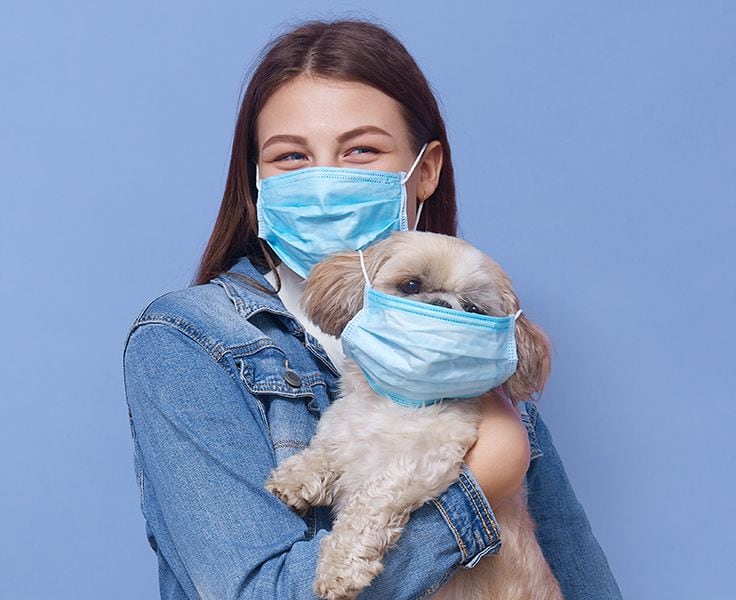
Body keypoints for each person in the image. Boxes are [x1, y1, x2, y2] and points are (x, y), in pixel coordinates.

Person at [122, 19, 623, 600]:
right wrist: (481, 484)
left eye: (360, 150)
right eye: (291, 157)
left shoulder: (478, 342)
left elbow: (577, 573)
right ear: (256, 179)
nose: (326, 182)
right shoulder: (189, 340)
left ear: (425, 170)